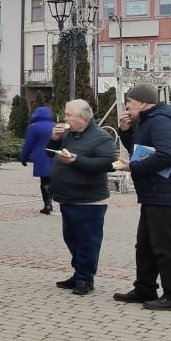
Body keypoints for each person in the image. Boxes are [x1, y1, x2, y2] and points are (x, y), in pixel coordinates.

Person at [113, 84, 171, 311]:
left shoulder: (162, 121)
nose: (126, 106)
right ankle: (144, 288)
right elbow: (142, 150)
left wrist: (133, 167)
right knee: (145, 245)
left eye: (130, 102)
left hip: (165, 194)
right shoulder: (149, 120)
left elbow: (168, 155)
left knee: (166, 247)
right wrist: (126, 131)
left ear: (144, 102)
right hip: (154, 193)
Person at [46, 100, 116, 296]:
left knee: (87, 241)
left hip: (89, 199)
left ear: (83, 118)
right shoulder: (67, 133)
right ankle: (79, 273)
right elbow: (48, 152)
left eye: (69, 115)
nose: (65, 118)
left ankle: (86, 278)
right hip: (67, 196)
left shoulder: (101, 137)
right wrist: (53, 138)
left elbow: (109, 163)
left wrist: (77, 160)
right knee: (71, 238)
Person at [20, 106, 56, 214]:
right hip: (55, 155)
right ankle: (50, 202)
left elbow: (28, 144)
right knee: (52, 180)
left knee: (44, 181)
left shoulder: (33, 127)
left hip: (41, 156)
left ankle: (47, 204)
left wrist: (24, 158)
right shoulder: (55, 125)